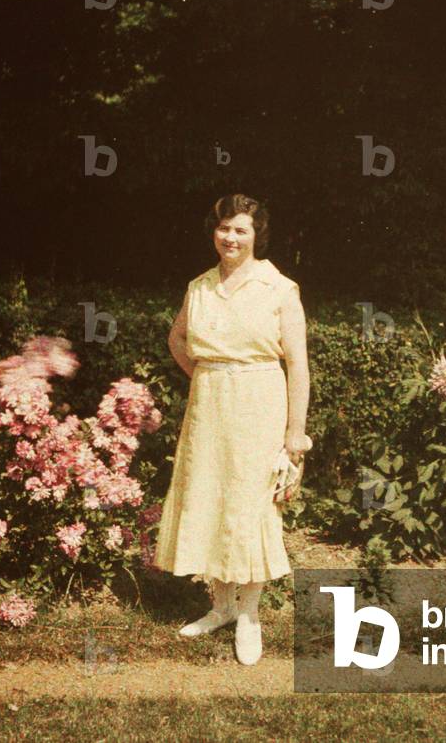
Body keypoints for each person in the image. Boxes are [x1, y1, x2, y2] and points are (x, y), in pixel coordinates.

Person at [153, 193, 311, 665]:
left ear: (256, 235)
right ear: (214, 232)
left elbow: (298, 366)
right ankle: (221, 606)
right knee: (211, 499)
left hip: (260, 405)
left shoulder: (279, 288)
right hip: (209, 408)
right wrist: (208, 377)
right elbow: (177, 338)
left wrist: (294, 436)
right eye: (225, 228)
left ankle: (250, 616)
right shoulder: (199, 286)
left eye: (241, 229)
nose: (231, 237)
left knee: (250, 505)